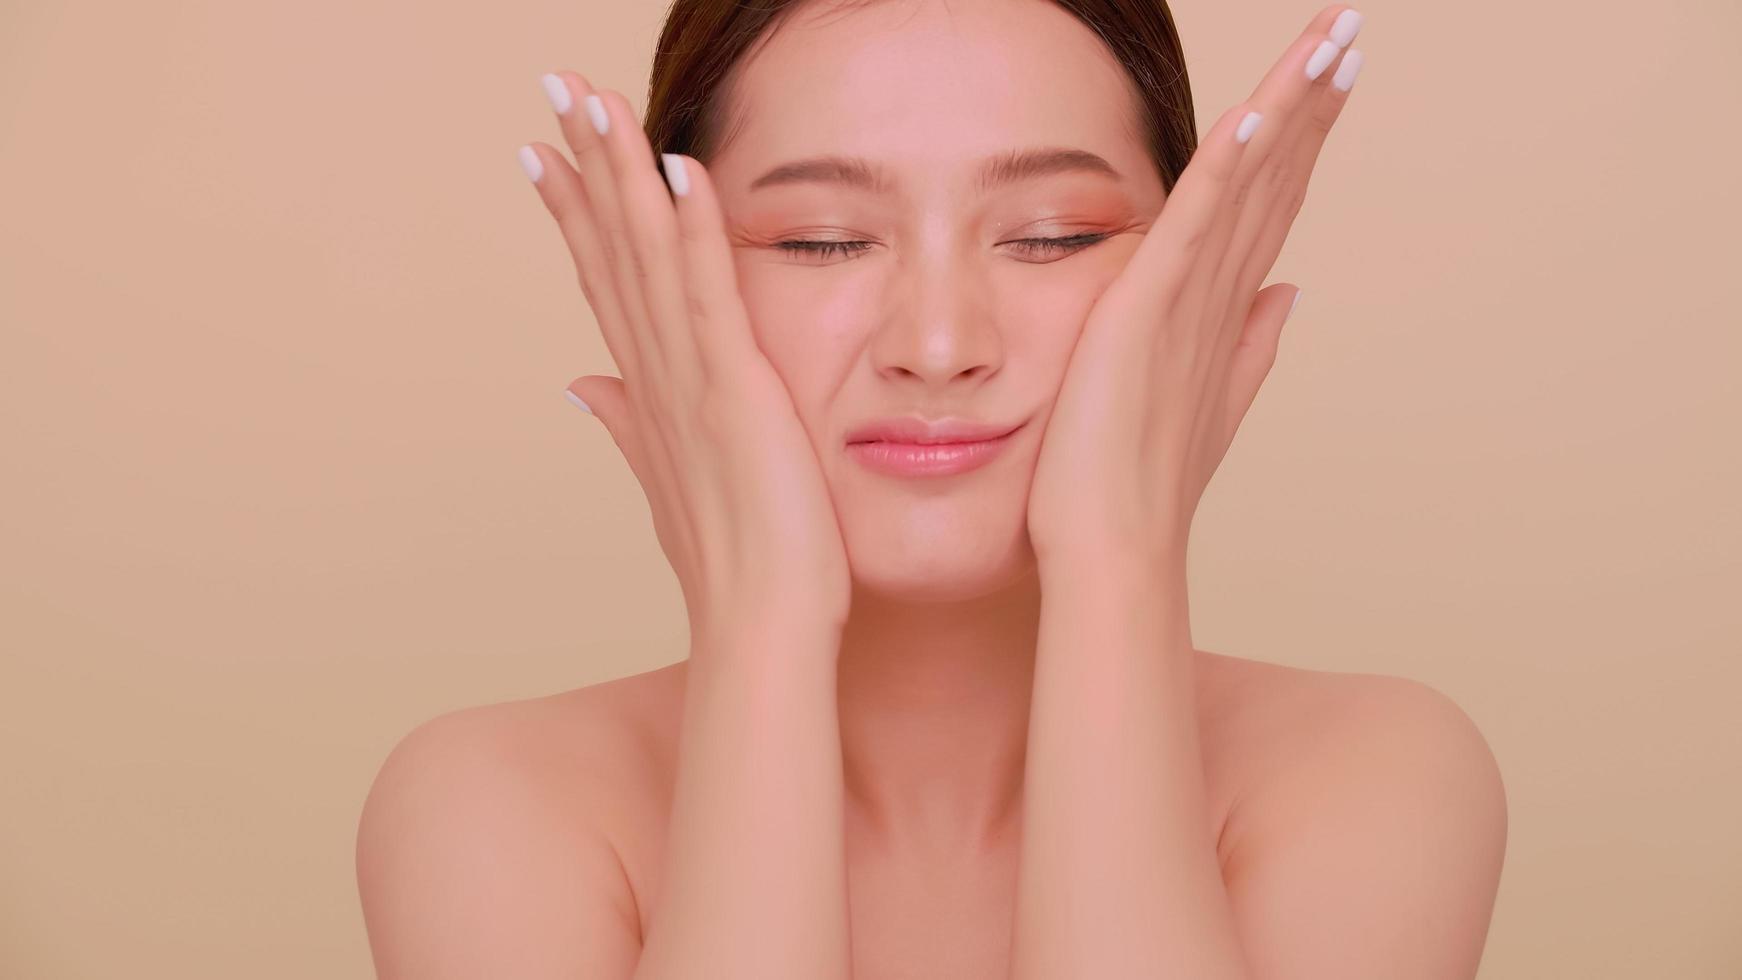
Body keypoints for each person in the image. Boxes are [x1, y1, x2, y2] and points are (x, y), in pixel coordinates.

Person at [356, 0, 1508, 977]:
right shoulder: (495, 809)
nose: (941, 341)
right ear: (666, 282)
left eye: (1054, 235)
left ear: (1187, 273)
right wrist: (761, 617)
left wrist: (1119, 561)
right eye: (819, 240)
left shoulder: (1368, 772)